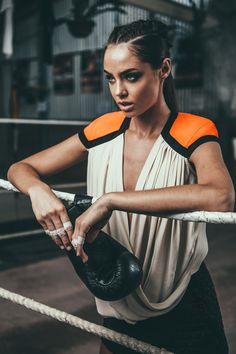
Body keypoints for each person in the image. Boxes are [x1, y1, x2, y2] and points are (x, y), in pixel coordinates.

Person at [7, 19, 234, 354]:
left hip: (184, 297)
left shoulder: (193, 131)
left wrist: (111, 200)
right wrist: (39, 191)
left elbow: (221, 196)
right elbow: (20, 168)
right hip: (117, 293)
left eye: (131, 76)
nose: (119, 92)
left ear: (163, 69)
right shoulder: (104, 129)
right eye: (110, 79)